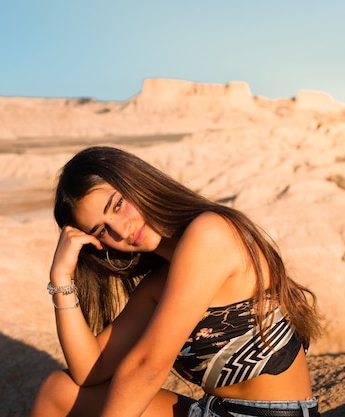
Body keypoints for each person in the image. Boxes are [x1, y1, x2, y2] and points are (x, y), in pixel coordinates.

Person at [31, 146, 323, 417]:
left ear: (137, 182)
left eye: (118, 205)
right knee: (57, 390)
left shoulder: (211, 233)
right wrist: (61, 279)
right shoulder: (159, 283)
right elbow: (91, 370)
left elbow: (146, 368)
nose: (120, 230)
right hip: (215, 411)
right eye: (101, 230)